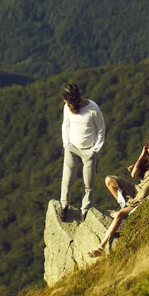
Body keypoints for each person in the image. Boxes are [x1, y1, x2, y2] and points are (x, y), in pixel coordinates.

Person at [88, 139, 149, 257]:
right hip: (137, 190)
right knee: (109, 180)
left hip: (145, 199)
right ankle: (124, 206)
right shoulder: (147, 160)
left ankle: (100, 247)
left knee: (118, 215)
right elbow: (133, 174)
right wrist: (142, 155)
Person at [60, 83, 106, 222]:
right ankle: (64, 206)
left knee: (88, 184)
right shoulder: (67, 107)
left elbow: (101, 130)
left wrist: (95, 150)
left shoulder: (93, 109)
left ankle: (84, 211)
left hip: (88, 151)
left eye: (69, 103)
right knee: (67, 180)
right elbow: (66, 124)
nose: (67, 106)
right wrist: (66, 144)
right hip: (72, 148)